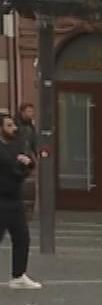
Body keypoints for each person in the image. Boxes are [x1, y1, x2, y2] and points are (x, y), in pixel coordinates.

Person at [0, 112, 37, 289]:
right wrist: (21, 166)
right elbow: (11, 169)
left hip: (15, 198)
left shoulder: (17, 144)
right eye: (8, 126)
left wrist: (26, 164)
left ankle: (18, 276)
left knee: (22, 236)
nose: (13, 128)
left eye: (13, 125)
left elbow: (28, 163)